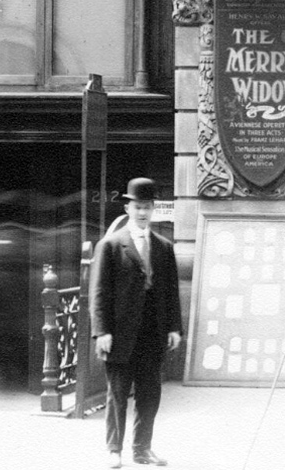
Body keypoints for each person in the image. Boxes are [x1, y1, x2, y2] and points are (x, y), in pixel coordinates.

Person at [90, 178, 183, 470]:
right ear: (128, 208)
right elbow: (99, 292)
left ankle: (142, 449)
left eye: (147, 207)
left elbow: (170, 291)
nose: (142, 212)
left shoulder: (164, 247)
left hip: (151, 335)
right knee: (117, 395)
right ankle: (114, 450)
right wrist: (101, 331)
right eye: (138, 207)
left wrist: (173, 328)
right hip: (119, 335)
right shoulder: (111, 245)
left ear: (153, 209)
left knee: (149, 395)